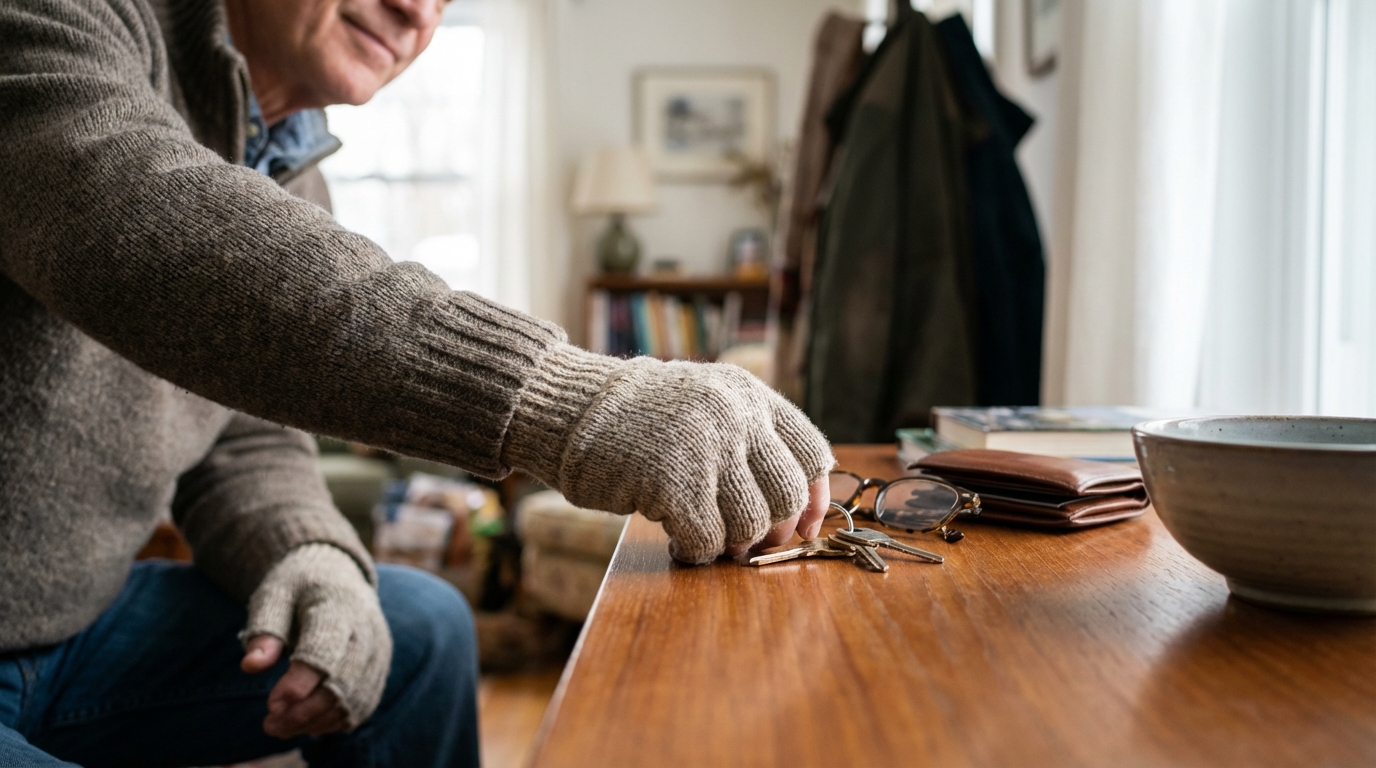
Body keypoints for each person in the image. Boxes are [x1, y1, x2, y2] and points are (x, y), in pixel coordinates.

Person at [0, 0, 834, 764]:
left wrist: (311, 553)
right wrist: (569, 397)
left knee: (422, 627)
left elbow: (241, 434)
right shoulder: (58, 21)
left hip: (78, 631)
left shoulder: (292, 168)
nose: (414, 11)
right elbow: (126, 206)